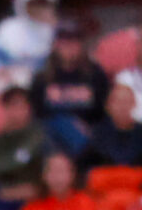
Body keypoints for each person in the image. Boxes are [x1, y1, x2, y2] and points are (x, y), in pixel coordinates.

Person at [28, 21, 108, 156]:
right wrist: (69, 123)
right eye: (64, 42)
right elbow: (37, 113)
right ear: (55, 45)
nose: (69, 46)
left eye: (74, 41)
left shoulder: (95, 74)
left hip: (88, 134)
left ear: (82, 45)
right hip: (52, 137)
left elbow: (104, 111)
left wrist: (85, 127)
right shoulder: (42, 76)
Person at [77, 79, 142, 176]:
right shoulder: (96, 136)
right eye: (117, 102)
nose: (122, 106)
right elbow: (85, 168)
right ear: (108, 106)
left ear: (134, 104)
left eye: (126, 101)